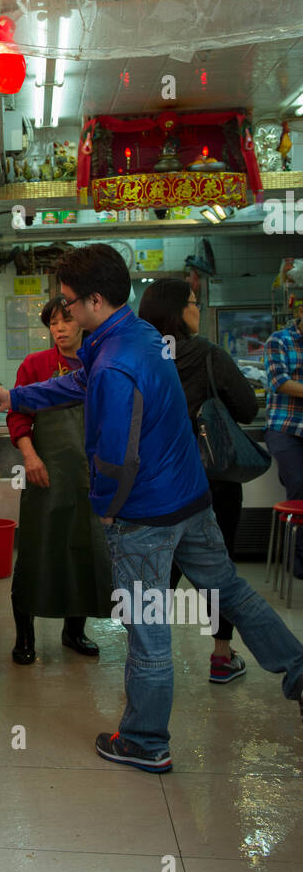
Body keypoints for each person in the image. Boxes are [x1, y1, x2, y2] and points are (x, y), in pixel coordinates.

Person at [0, 243, 303, 773]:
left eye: (69, 301)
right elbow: (79, 382)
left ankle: (145, 740)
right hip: (190, 500)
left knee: (148, 625)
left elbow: (113, 458)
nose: (64, 311)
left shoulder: (113, 364)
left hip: (146, 517)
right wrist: (14, 399)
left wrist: (107, 511)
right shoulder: (137, 336)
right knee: (231, 590)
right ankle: (296, 668)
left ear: (94, 300)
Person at [138, 277, 257, 684]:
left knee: (159, 572)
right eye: (193, 303)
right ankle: (222, 656)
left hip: (156, 485)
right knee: (218, 571)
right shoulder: (210, 356)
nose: (198, 309)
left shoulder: (138, 355)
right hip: (213, 482)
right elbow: (247, 407)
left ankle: (147, 661)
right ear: (178, 311)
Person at [8, 297, 112, 664]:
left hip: (89, 474)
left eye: (67, 320)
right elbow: (17, 416)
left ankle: (74, 632)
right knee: (37, 552)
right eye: (53, 323)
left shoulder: (97, 365)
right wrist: (30, 456)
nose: (60, 329)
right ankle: (25, 638)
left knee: (84, 551)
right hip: (45, 473)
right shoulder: (35, 366)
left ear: (82, 321)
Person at [263, 301, 303, 579]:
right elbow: (280, 382)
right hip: (286, 428)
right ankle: (299, 562)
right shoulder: (280, 340)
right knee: (299, 488)